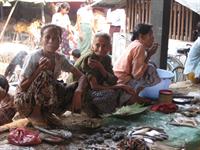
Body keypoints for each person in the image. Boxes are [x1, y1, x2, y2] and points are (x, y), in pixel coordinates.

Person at [14, 24, 87, 126]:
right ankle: (36, 115)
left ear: (60, 41)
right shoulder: (34, 57)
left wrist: (78, 92)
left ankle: (48, 113)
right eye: (47, 37)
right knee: (45, 74)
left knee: (76, 86)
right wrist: (39, 69)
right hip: (26, 100)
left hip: (47, 100)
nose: (51, 41)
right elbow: (22, 87)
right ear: (41, 39)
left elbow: (82, 76)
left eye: (55, 38)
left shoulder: (60, 59)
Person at [69, 32, 147, 117]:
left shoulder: (107, 59)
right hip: (79, 90)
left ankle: (122, 107)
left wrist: (101, 68)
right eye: (97, 45)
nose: (100, 49)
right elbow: (94, 86)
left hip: (95, 89)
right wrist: (119, 86)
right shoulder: (90, 58)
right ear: (92, 46)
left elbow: (113, 80)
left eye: (104, 46)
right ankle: (92, 110)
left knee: (127, 89)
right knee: (110, 94)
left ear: (109, 47)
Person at [113, 23, 160, 94]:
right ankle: (136, 94)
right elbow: (136, 75)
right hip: (123, 81)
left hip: (117, 78)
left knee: (150, 64)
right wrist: (149, 55)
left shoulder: (135, 44)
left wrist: (147, 54)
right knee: (151, 68)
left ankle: (138, 93)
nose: (153, 38)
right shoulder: (139, 47)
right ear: (141, 36)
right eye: (150, 35)